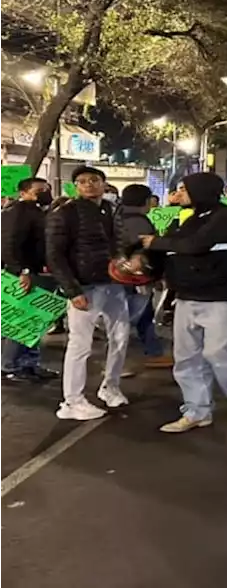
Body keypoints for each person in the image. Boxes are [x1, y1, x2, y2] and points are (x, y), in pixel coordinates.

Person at [141, 173, 227, 433]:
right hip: (186, 297)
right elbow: (171, 252)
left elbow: (197, 244)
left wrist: (157, 242)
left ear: (201, 190)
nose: (178, 194)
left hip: (221, 297)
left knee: (218, 351)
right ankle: (197, 411)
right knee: (186, 358)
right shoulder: (187, 220)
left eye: (185, 189)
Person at [46, 166, 131, 421]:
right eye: (82, 181)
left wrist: (127, 268)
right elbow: (55, 255)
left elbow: (118, 244)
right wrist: (72, 290)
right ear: (76, 187)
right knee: (80, 345)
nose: (88, 185)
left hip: (113, 283)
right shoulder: (66, 213)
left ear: (104, 183)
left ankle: (110, 386)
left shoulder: (111, 209)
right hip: (85, 286)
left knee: (120, 337)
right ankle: (72, 401)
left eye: (94, 180)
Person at [0, 176, 58, 383]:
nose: (44, 193)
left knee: (34, 321)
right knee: (22, 321)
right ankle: (11, 365)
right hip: (23, 273)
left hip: (35, 271)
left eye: (46, 189)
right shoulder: (17, 212)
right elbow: (8, 244)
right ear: (23, 193)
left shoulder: (37, 212)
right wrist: (21, 270)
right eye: (39, 190)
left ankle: (29, 364)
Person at [115, 184, 170, 369]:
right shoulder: (138, 221)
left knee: (141, 315)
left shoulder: (118, 215)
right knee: (125, 319)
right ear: (146, 201)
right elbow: (144, 247)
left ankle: (153, 351)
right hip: (133, 276)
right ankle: (114, 365)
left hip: (122, 273)